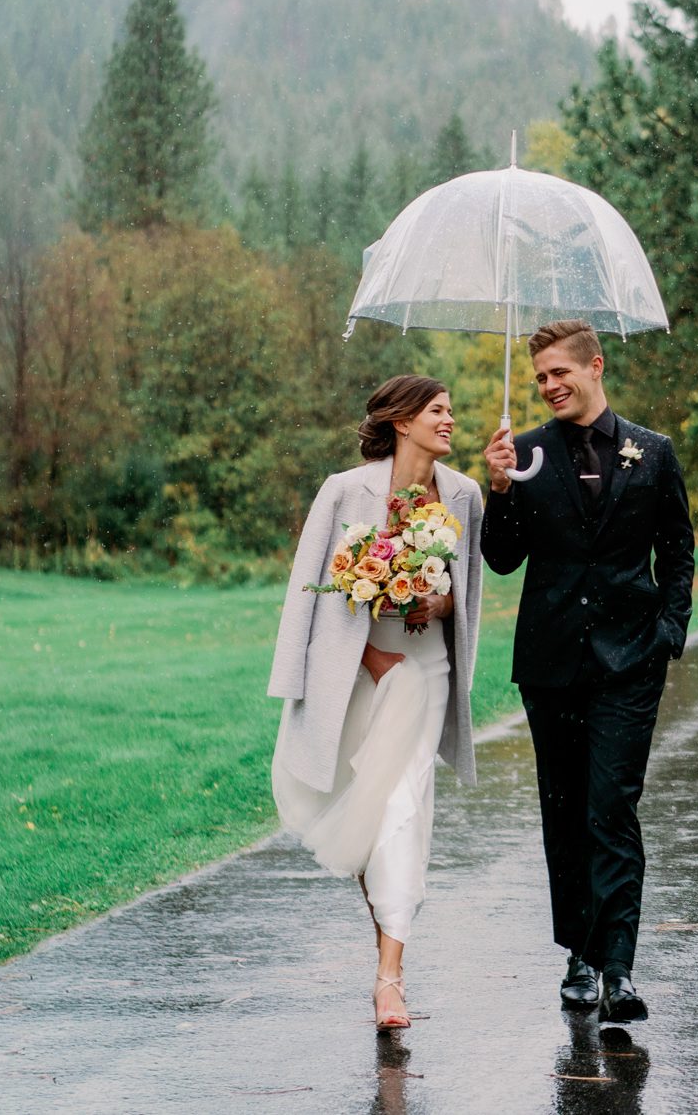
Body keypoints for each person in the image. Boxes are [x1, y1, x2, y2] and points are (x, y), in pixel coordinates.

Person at [482, 319, 695, 1024]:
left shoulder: (653, 453)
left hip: (630, 662)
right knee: (565, 808)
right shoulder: (527, 453)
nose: (547, 386)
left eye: (558, 373)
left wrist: (668, 630)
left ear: (594, 365)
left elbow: (679, 551)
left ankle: (619, 967)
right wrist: (500, 489)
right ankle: (578, 949)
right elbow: (503, 558)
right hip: (549, 662)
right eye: (539, 377)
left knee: (611, 808)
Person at [267, 375, 484, 1031]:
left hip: (428, 670)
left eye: (451, 409)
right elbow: (317, 588)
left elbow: (466, 593)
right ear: (401, 420)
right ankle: (387, 948)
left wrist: (433, 598)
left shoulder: (466, 496)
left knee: (403, 806)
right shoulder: (345, 490)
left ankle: (389, 980)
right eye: (438, 411)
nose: (450, 420)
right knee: (364, 814)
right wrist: (370, 656)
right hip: (360, 673)